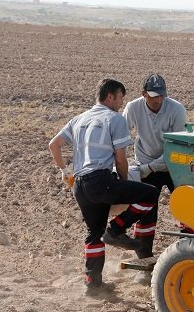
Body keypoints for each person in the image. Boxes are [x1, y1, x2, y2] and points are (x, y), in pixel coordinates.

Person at [49, 78, 160, 297]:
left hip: (80, 185)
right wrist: (124, 182)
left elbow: (54, 145)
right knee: (151, 194)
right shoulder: (114, 119)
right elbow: (120, 159)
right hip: (101, 181)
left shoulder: (78, 119)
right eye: (120, 98)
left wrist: (65, 171)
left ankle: (93, 283)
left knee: (93, 233)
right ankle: (116, 230)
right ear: (110, 96)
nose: (121, 103)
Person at [123, 74, 188, 277]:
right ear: (143, 95)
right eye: (153, 96)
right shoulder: (133, 108)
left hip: (173, 165)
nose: (158, 100)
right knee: (145, 213)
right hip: (145, 163)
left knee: (187, 207)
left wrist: (150, 167)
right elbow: (121, 136)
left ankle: (188, 257)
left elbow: (176, 148)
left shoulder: (176, 109)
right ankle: (144, 264)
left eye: (161, 95)